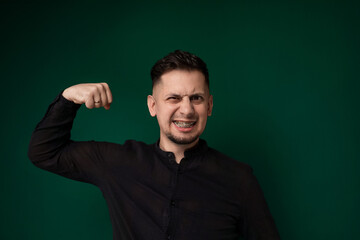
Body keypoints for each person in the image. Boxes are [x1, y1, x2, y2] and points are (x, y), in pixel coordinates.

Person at [28, 50, 280, 240]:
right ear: (153, 106)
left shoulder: (239, 178)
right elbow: (44, 152)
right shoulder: (118, 163)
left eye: (197, 98)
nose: (187, 109)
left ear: (210, 106)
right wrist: (68, 98)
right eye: (174, 98)